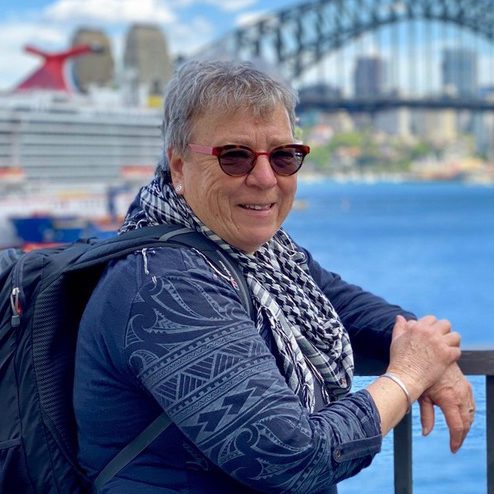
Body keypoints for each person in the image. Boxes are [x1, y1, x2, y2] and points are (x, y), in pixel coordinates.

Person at [74, 59, 475, 493]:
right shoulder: (163, 284)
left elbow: (352, 308)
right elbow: (293, 460)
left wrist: (428, 349)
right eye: (235, 157)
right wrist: (410, 375)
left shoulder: (265, 255)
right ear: (179, 167)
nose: (265, 178)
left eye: (284, 157)